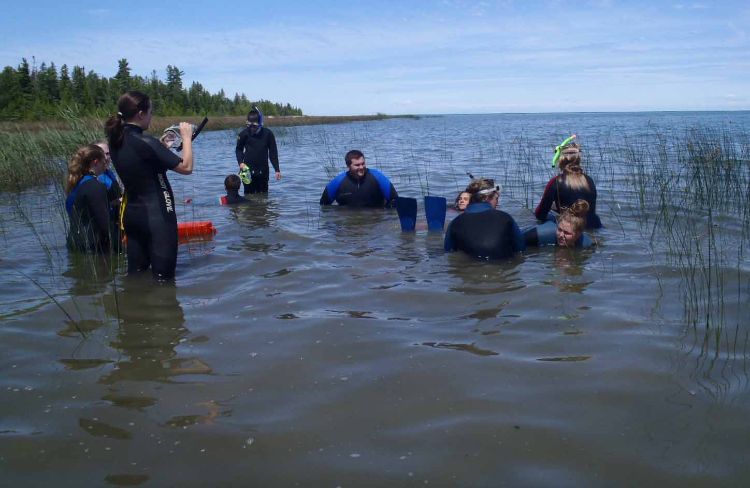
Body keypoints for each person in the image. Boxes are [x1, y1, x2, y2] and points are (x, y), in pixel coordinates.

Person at [104, 90, 195, 281]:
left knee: (136, 276)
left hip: (132, 216)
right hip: (158, 217)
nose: (151, 116)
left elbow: (142, 168)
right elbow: (186, 167)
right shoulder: (146, 141)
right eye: (151, 112)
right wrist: (186, 137)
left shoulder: (115, 140)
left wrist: (160, 148)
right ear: (140, 114)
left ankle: (134, 308)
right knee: (164, 280)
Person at [444, 178, 525, 259]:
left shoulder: (454, 223)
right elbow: (520, 249)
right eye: (496, 199)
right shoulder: (506, 218)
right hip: (501, 268)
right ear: (486, 198)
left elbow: (448, 252)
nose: (497, 203)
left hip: (469, 267)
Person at [534, 141, 602, 229]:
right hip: (595, 226)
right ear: (578, 160)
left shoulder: (556, 182)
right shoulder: (589, 180)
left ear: (560, 160)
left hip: (573, 228)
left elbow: (540, 214)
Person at [65, 144, 113, 253]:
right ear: (96, 162)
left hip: (75, 241)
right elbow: (104, 223)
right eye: (103, 162)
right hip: (92, 245)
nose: (105, 165)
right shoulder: (95, 186)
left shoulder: (77, 183)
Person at [320, 149, 398, 207]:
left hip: (375, 222)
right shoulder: (337, 182)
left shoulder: (378, 177)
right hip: (349, 224)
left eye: (363, 163)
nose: (361, 167)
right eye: (357, 165)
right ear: (348, 166)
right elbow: (324, 206)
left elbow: (395, 200)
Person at [235, 107, 281, 194]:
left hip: (263, 170)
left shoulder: (268, 134)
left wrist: (277, 169)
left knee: (263, 196)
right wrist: (240, 162)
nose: (251, 128)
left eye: (254, 126)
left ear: (260, 124)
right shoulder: (243, 134)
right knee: (248, 195)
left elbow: (273, 153)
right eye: (249, 125)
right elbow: (238, 149)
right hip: (246, 170)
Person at [524, 200, 594, 248]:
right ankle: (552, 209)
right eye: (560, 230)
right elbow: (517, 241)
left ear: (579, 233)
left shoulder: (587, 244)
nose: (561, 235)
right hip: (548, 225)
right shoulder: (541, 234)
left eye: (567, 233)